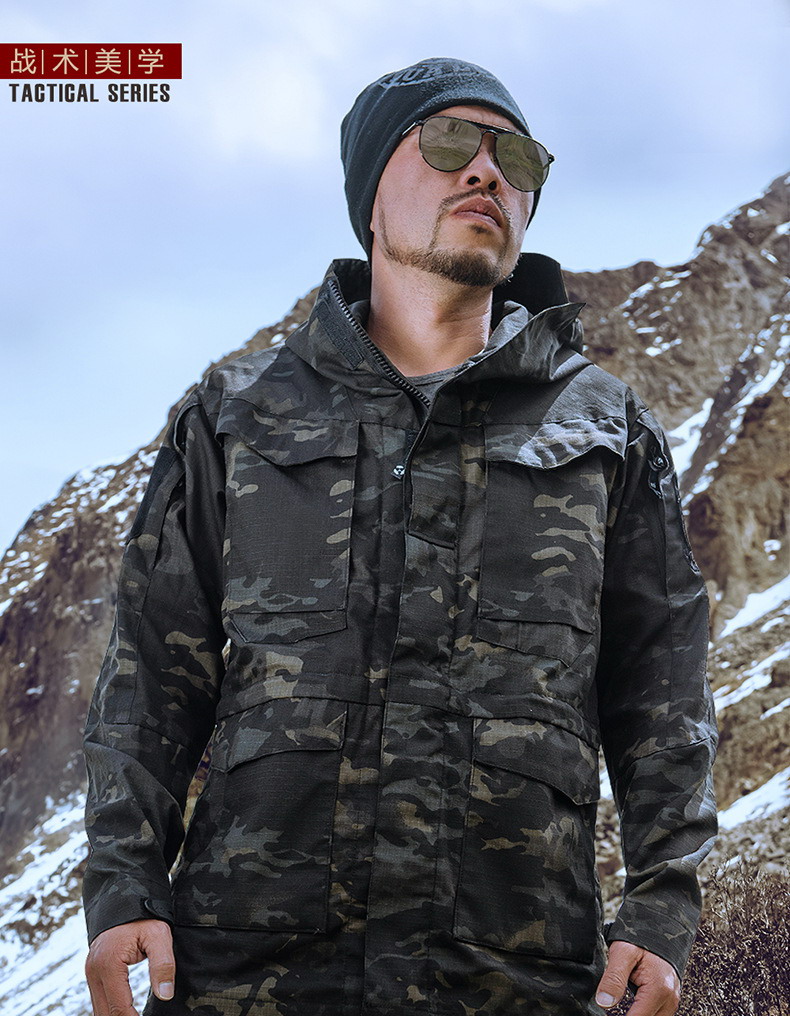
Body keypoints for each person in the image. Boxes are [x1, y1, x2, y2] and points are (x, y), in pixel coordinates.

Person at [82, 57, 718, 1016]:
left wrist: (662, 909)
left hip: (515, 980)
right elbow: (150, 668)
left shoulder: (605, 431)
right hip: (255, 978)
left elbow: (661, 688)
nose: (487, 171)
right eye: (451, 141)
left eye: (517, 158)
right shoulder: (239, 414)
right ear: (370, 196)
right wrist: (125, 882)